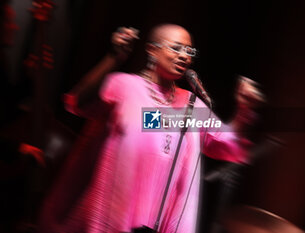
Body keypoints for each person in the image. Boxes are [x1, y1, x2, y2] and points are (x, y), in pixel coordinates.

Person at [37, 24, 262, 233]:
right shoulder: (125, 86)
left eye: (189, 51)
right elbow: (79, 102)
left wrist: (244, 110)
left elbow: (230, 144)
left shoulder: (191, 105)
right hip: (114, 213)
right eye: (176, 48)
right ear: (152, 50)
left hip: (157, 221)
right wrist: (113, 58)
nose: (184, 56)